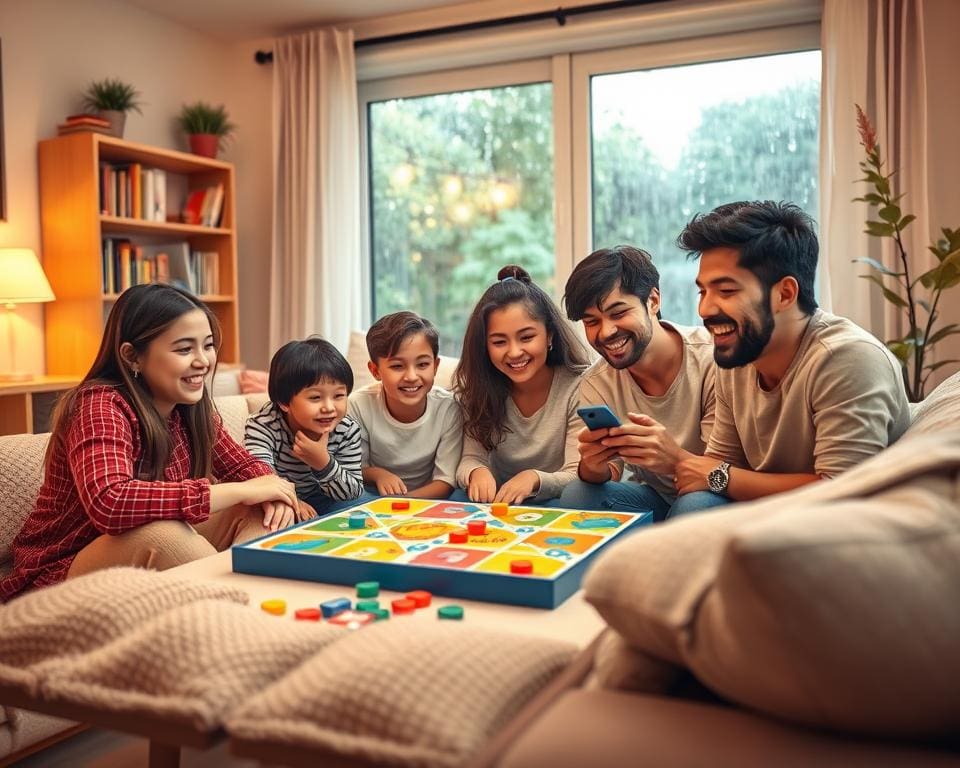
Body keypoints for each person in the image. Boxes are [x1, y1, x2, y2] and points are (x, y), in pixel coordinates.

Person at [0, 284, 298, 603]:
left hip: (132, 559)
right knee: (164, 533)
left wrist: (271, 490)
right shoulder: (98, 405)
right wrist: (243, 489)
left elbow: (242, 466)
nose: (203, 361)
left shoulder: (189, 406)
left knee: (255, 512)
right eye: (184, 349)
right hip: (57, 573)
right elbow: (110, 502)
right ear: (132, 356)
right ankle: (236, 614)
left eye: (208, 345)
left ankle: (253, 607)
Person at [671, 200, 911, 510]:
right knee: (690, 504)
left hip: (847, 530)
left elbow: (841, 491)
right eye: (702, 291)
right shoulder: (742, 353)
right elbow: (719, 462)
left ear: (785, 293)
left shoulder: (847, 358)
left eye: (726, 291)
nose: (704, 309)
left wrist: (720, 477)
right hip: (769, 513)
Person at [559, 245, 716, 520]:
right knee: (577, 494)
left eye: (618, 313)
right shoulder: (597, 382)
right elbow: (611, 473)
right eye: (591, 321)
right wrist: (592, 464)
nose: (606, 331)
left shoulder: (710, 359)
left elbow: (722, 467)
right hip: (655, 497)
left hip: (711, 494)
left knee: (692, 506)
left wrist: (673, 455)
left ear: (653, 301)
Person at [453, 265, 591, 505]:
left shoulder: (579, 386)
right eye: (499, 342)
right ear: (484, 346)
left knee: (574, 498)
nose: (514, 352)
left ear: (549, 336)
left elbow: (576, 473)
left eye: (527, 337)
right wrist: (477, 472)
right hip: (500, 504)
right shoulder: (477, 391)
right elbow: (470, 458)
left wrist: (534, 479)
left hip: (555, 500)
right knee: (457, 495)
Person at [245, 336, 367, 519]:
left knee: (365, 509)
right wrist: (293, 501)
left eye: (338, 395)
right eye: (315, 398)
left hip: (330, 500)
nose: (329, 407)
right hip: (281, 498)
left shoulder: (346, 429)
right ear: (284, 402)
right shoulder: (263, 425)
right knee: (273, 516)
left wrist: (322, 462)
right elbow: (260, 476)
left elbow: (352, 492)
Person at [348, 311, 462, 500]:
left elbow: (445, 482)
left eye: (423, 364)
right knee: (347, 497)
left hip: (428, 498)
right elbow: (355, 469)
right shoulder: (357, 405)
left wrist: (403, 503)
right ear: (375, 371)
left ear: (435, 366)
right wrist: (379, 475)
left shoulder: (448, 408)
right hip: (374, 497)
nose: (411, 376)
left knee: (461, 496)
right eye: (397, 366)